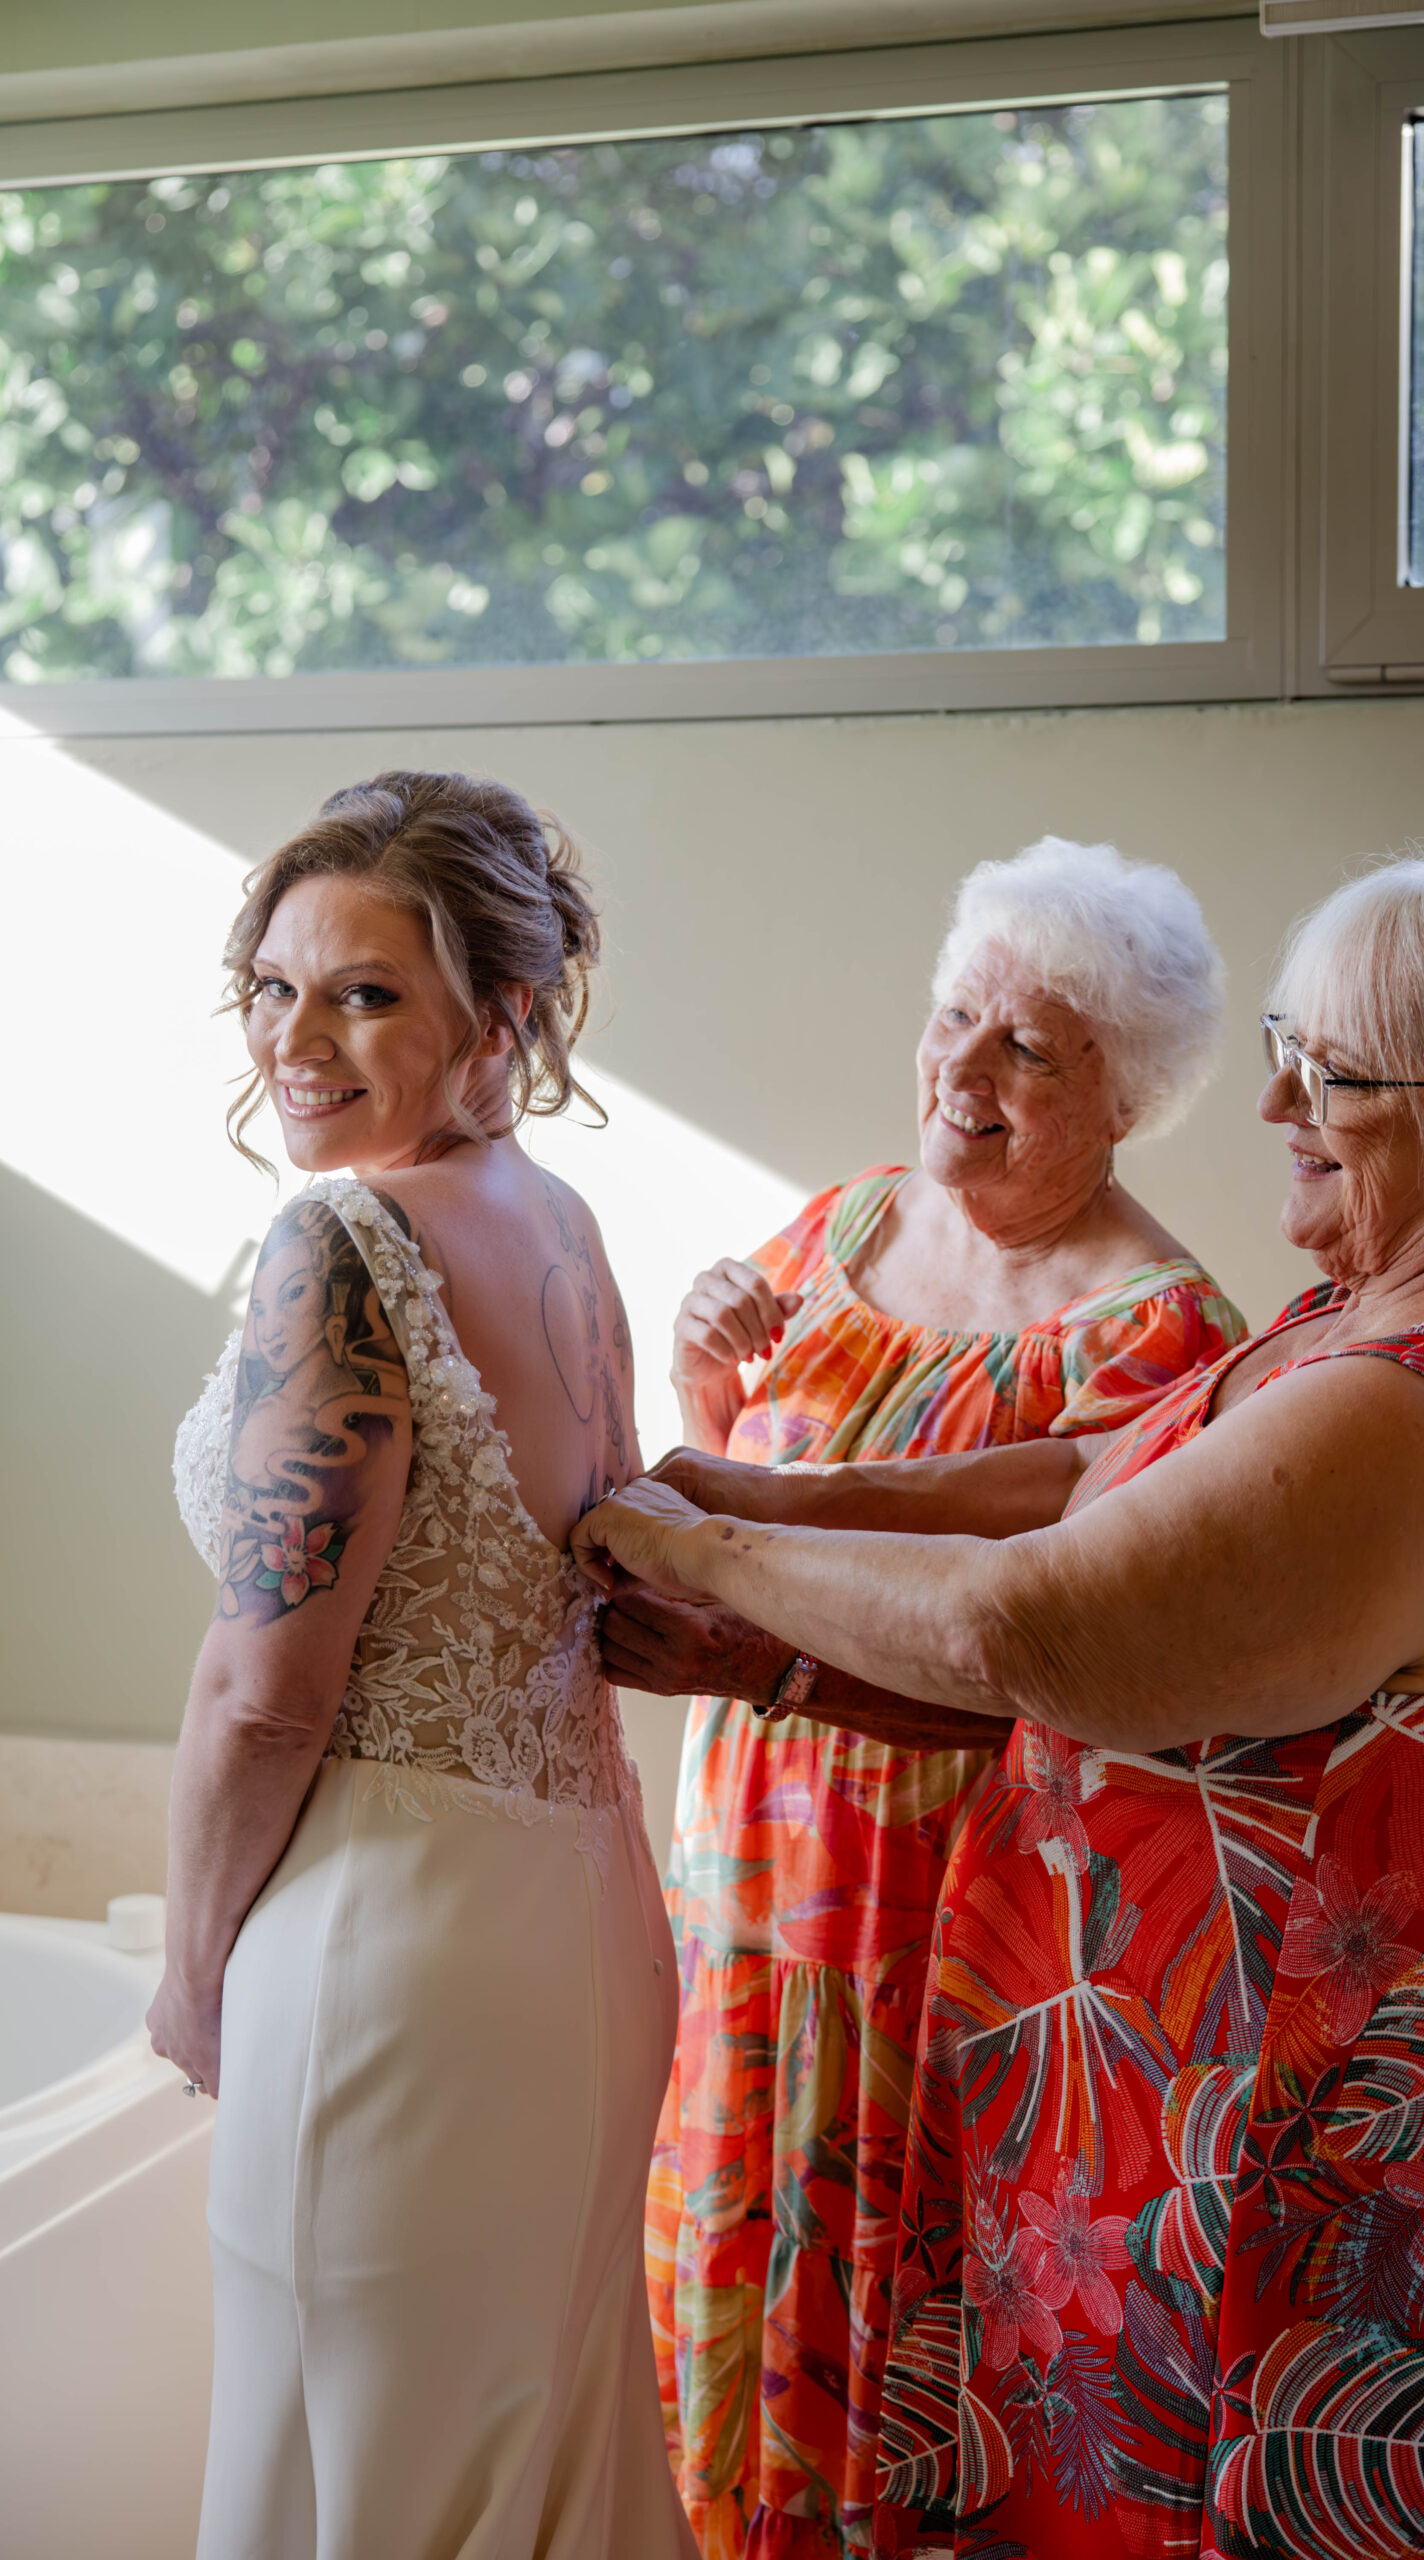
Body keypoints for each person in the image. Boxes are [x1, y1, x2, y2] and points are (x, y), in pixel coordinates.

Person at [574, 841, 1424, 2559]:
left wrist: (695, 1553)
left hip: (1280, 2222)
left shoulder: (1406, 1410)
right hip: (1166, 2162)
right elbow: (1087, 1467)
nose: (1270, 1103)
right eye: (1281, 1041)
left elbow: (1029, 1627)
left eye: (1334, 1072)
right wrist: (774, 1499)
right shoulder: (1350, 1326)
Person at [602, 836, 1245, 2557]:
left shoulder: (1157, 1342)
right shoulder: (844, 1222)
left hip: (943, 1937)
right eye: (955, 1017)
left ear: (1131, 1096)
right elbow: (731, 1489)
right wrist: (703, 1367)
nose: (962, 1071)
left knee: (899, 2338)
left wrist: (777, 1657)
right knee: (718, 2297)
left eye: (1028, 1049)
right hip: (744, 1909)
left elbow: (1101, 1690)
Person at [149, 771, 695, 2560]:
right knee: (544, 2470)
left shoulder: (346, 1242)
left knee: (354, 2492)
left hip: (395, 1954)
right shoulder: (561, 1228)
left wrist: (188, 1965)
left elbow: (268, 1691)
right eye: (277, 985)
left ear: (502, 1017)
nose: (298, 1040)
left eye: (367, 993)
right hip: (585, 1920)